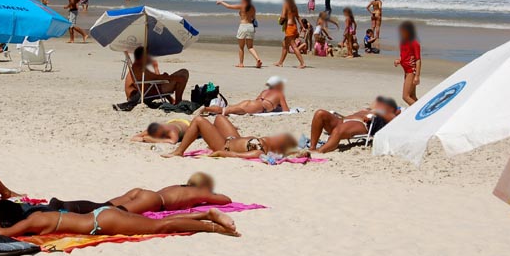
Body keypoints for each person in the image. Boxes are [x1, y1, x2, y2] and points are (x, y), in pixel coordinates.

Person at [25, 172, 232, 216]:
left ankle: (66, 204)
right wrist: (209, 194)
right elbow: (226, 200)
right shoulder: (199, 192)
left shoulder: (179, 186)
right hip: (153, 200)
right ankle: (67, 209)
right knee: (108, 211)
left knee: (102, 205)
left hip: (142, 191)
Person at [0, 202, 239, 237]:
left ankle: (210, 226)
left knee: (160, 226)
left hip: (103, 223)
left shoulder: (30, 223)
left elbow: (1, 235)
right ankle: (206, 214)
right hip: (102, 214)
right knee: (155, 224)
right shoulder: (37, 214)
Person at [161, 115, 305, 159]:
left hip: (224, 144)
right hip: (234, 138)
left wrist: (216, 153)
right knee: (219, 118)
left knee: (199, 120)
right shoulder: (264, 143)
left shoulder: (259, 151)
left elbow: (234, 155)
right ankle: (210, 135)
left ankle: (179, 151)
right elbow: (293, 151)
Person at [309, 96, 400, 153]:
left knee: (339, 130)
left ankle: (319, 151)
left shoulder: (387, 113)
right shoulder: (370, 109)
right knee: (320, 113)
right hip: (343, 119)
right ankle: (312, 147)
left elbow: (395, 116)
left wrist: (376, 113)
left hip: (361, 124)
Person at [194, 76, 289, 116]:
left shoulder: (265, 91)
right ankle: (205, 109)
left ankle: (206, 109)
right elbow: (286, 111)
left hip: (249, 103)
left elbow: (258, 100)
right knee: (225, 111)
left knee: (228, 108)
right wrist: (277, 106)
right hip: (256, 106)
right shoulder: (280, 94)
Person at [216, 0, 262, 68]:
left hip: (243, 26)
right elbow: (254, 19)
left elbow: (229, 6)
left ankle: (241, 63)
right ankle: (258, 59)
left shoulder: (242, 6)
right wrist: (254, 28)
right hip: (251, 26)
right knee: (250, 47)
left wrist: (221, 2)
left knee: (241, 47)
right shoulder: (253, 7)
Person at [275, 0, 306, 68]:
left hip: (289, 27)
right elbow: (298, 17)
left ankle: (302, 63)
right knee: (285, 44)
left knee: (293, 46)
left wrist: (280, 21)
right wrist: (302, 27)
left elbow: (283, 16)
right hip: (294, 26)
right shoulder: (294, 5)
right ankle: (280, 62)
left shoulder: (286, 4)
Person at [394, 21, 421, 105]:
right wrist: (399, 60)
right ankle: (423, 110)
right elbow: (404, 56)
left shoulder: (414, 43)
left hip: (411, 71)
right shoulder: (402, 43)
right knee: (412, 96)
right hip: (406, 71)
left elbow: (418, 60)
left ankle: (417, 111)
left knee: (405, 96)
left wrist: (417, 76)